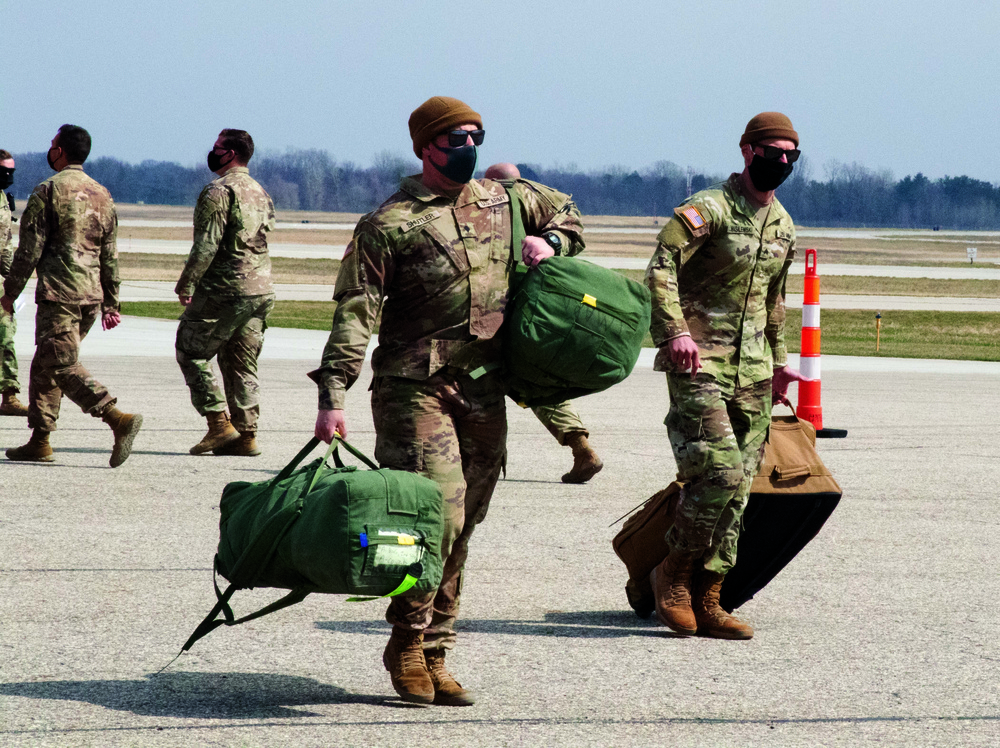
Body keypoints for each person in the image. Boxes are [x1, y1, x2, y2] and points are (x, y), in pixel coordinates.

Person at [310, 97, 584, 705]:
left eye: (475, 135)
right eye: (455, 137)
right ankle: (406, 640)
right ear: (424, 148)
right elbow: (356, 315)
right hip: (415, 388)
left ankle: (438, 649)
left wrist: (553, 245)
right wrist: (334, 394)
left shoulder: (505, 200)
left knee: (467, 523)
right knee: (434, 518)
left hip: (484, 386)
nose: (468, 146)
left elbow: (568, 213)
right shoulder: (390, 223)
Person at [644, 112, 808, 639]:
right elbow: (660, 267)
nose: (781, 162)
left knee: (740, 492)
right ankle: (672, 573)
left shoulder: (782, 223)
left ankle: (711, 595)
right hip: (700, 364)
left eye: (791, 155)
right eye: (773, 152)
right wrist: (675, 333)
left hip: (756, 370)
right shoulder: (708, 209)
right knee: (719, 475)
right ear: (747, 151)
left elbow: (774, 300)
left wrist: (782, 364)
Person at [0, 125, 142, 466]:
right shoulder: (102, 194)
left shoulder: (47, 191)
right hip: (90, 296)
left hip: (60, 294)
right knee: (46, 363)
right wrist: (112, 300)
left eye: (52, 145)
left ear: (60, 151)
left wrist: (9, 293)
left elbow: (28, 250)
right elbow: (110, 253)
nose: (49, 150)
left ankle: (116, 417)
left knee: (61, 365)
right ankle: (40, 438)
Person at [483, 162, 603, 484]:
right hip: (531, 312)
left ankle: (486, 459)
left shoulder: (486, 202)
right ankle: (581, 447)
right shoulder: (534, 201)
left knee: (481, 380)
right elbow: (573, 224)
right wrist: (551, 242)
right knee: (535, 380)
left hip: (489, 313)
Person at [174, 129, 276, 457]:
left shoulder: (219, 191)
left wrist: (187, 283)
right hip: (259, 289)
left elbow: (207, 243)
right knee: (240, 361)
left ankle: (219, 424)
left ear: (230, 153)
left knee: (191, 350)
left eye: (217, 147)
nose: (212, 151)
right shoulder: (260, 192)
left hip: (226, 288)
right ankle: (246, 435)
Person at [0, 149, 28, 417]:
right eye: (4, 170)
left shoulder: (4, 200)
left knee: (5, 335)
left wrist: (12, 283)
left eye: (11, 171)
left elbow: (6, 244)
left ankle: (9, 396)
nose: (8, 176)